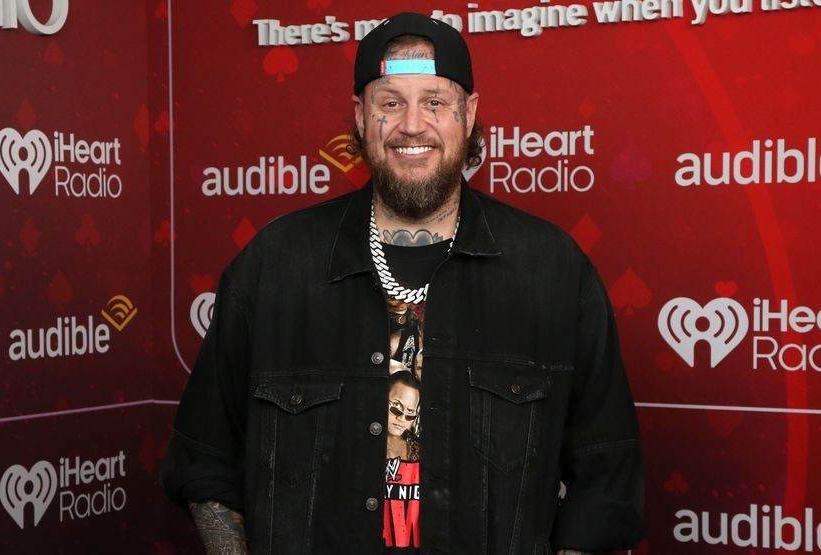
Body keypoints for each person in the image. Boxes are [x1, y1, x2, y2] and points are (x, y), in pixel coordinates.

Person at [162, 11, 643, 555]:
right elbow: (203, 460)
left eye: (434, 102)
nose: (412, 125)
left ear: (469, 114)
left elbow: (606, 481)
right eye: (390, 103)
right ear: (361, 116)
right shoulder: (275, 264)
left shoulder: (552, 270)